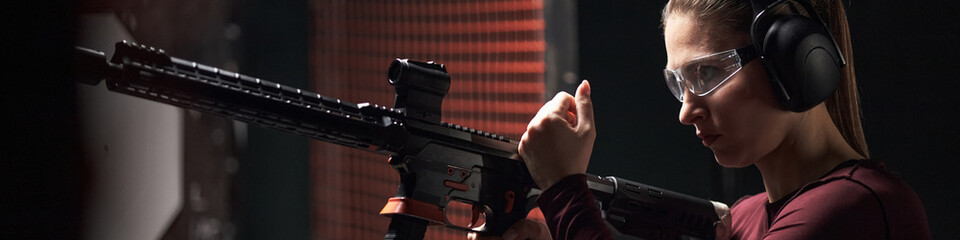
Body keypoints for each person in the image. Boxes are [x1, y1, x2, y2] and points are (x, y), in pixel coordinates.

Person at [472, 0, 931, 239]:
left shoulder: (859, 209)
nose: (685, 110)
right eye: (679, 83)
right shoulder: (748, 218)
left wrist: (565, 193)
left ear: (794, 61)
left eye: (706, 73)